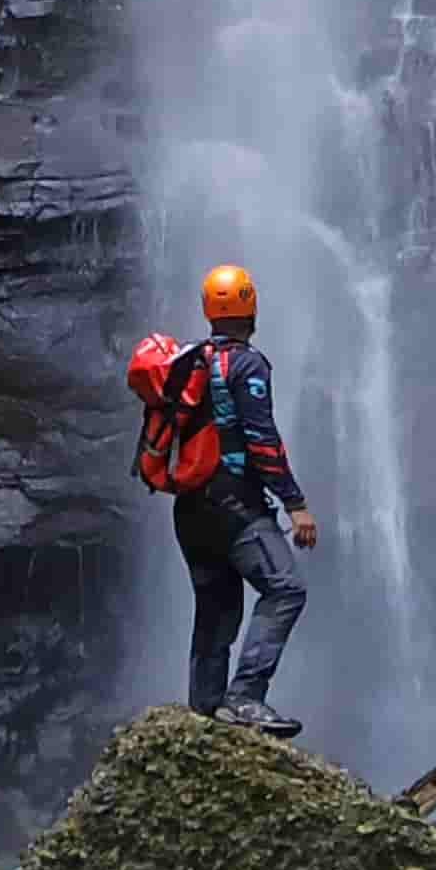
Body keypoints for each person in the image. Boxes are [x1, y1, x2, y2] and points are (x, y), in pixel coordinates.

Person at [177, 264, 319, 735]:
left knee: (216, 606)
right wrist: (295, 503)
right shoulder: (246, 363)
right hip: (233, 506)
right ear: (250, 306)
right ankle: (244, 698)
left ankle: (203, 711)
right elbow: (261, 441)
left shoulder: (187, 362)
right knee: (285, 590)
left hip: (191, 511)